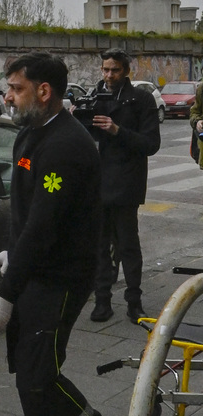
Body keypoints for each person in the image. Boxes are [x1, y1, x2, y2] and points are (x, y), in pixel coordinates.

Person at [0, 53, 125, 416]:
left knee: (40, 372)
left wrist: (3, 293)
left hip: (61, 279)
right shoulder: (30, 134)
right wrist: (8, 256)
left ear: (45, 91)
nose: (7, 96)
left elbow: (44, 228)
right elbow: (24, 215)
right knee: (28, 370)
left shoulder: (66, 145)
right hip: (33, 272)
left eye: (16, 88)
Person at [81, 49, 160, 324]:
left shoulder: (141, 98)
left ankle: (134, 302)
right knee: (101, 245)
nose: (108, 75)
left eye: (114, 70)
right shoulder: (96, 95)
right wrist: (77, 115)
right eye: (104, 69)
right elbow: (86, 136)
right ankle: (102, 301)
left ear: (126, 70)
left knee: (128, 245)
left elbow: (151, 144)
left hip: (127, 183)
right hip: (99, 182)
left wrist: (117, 130)